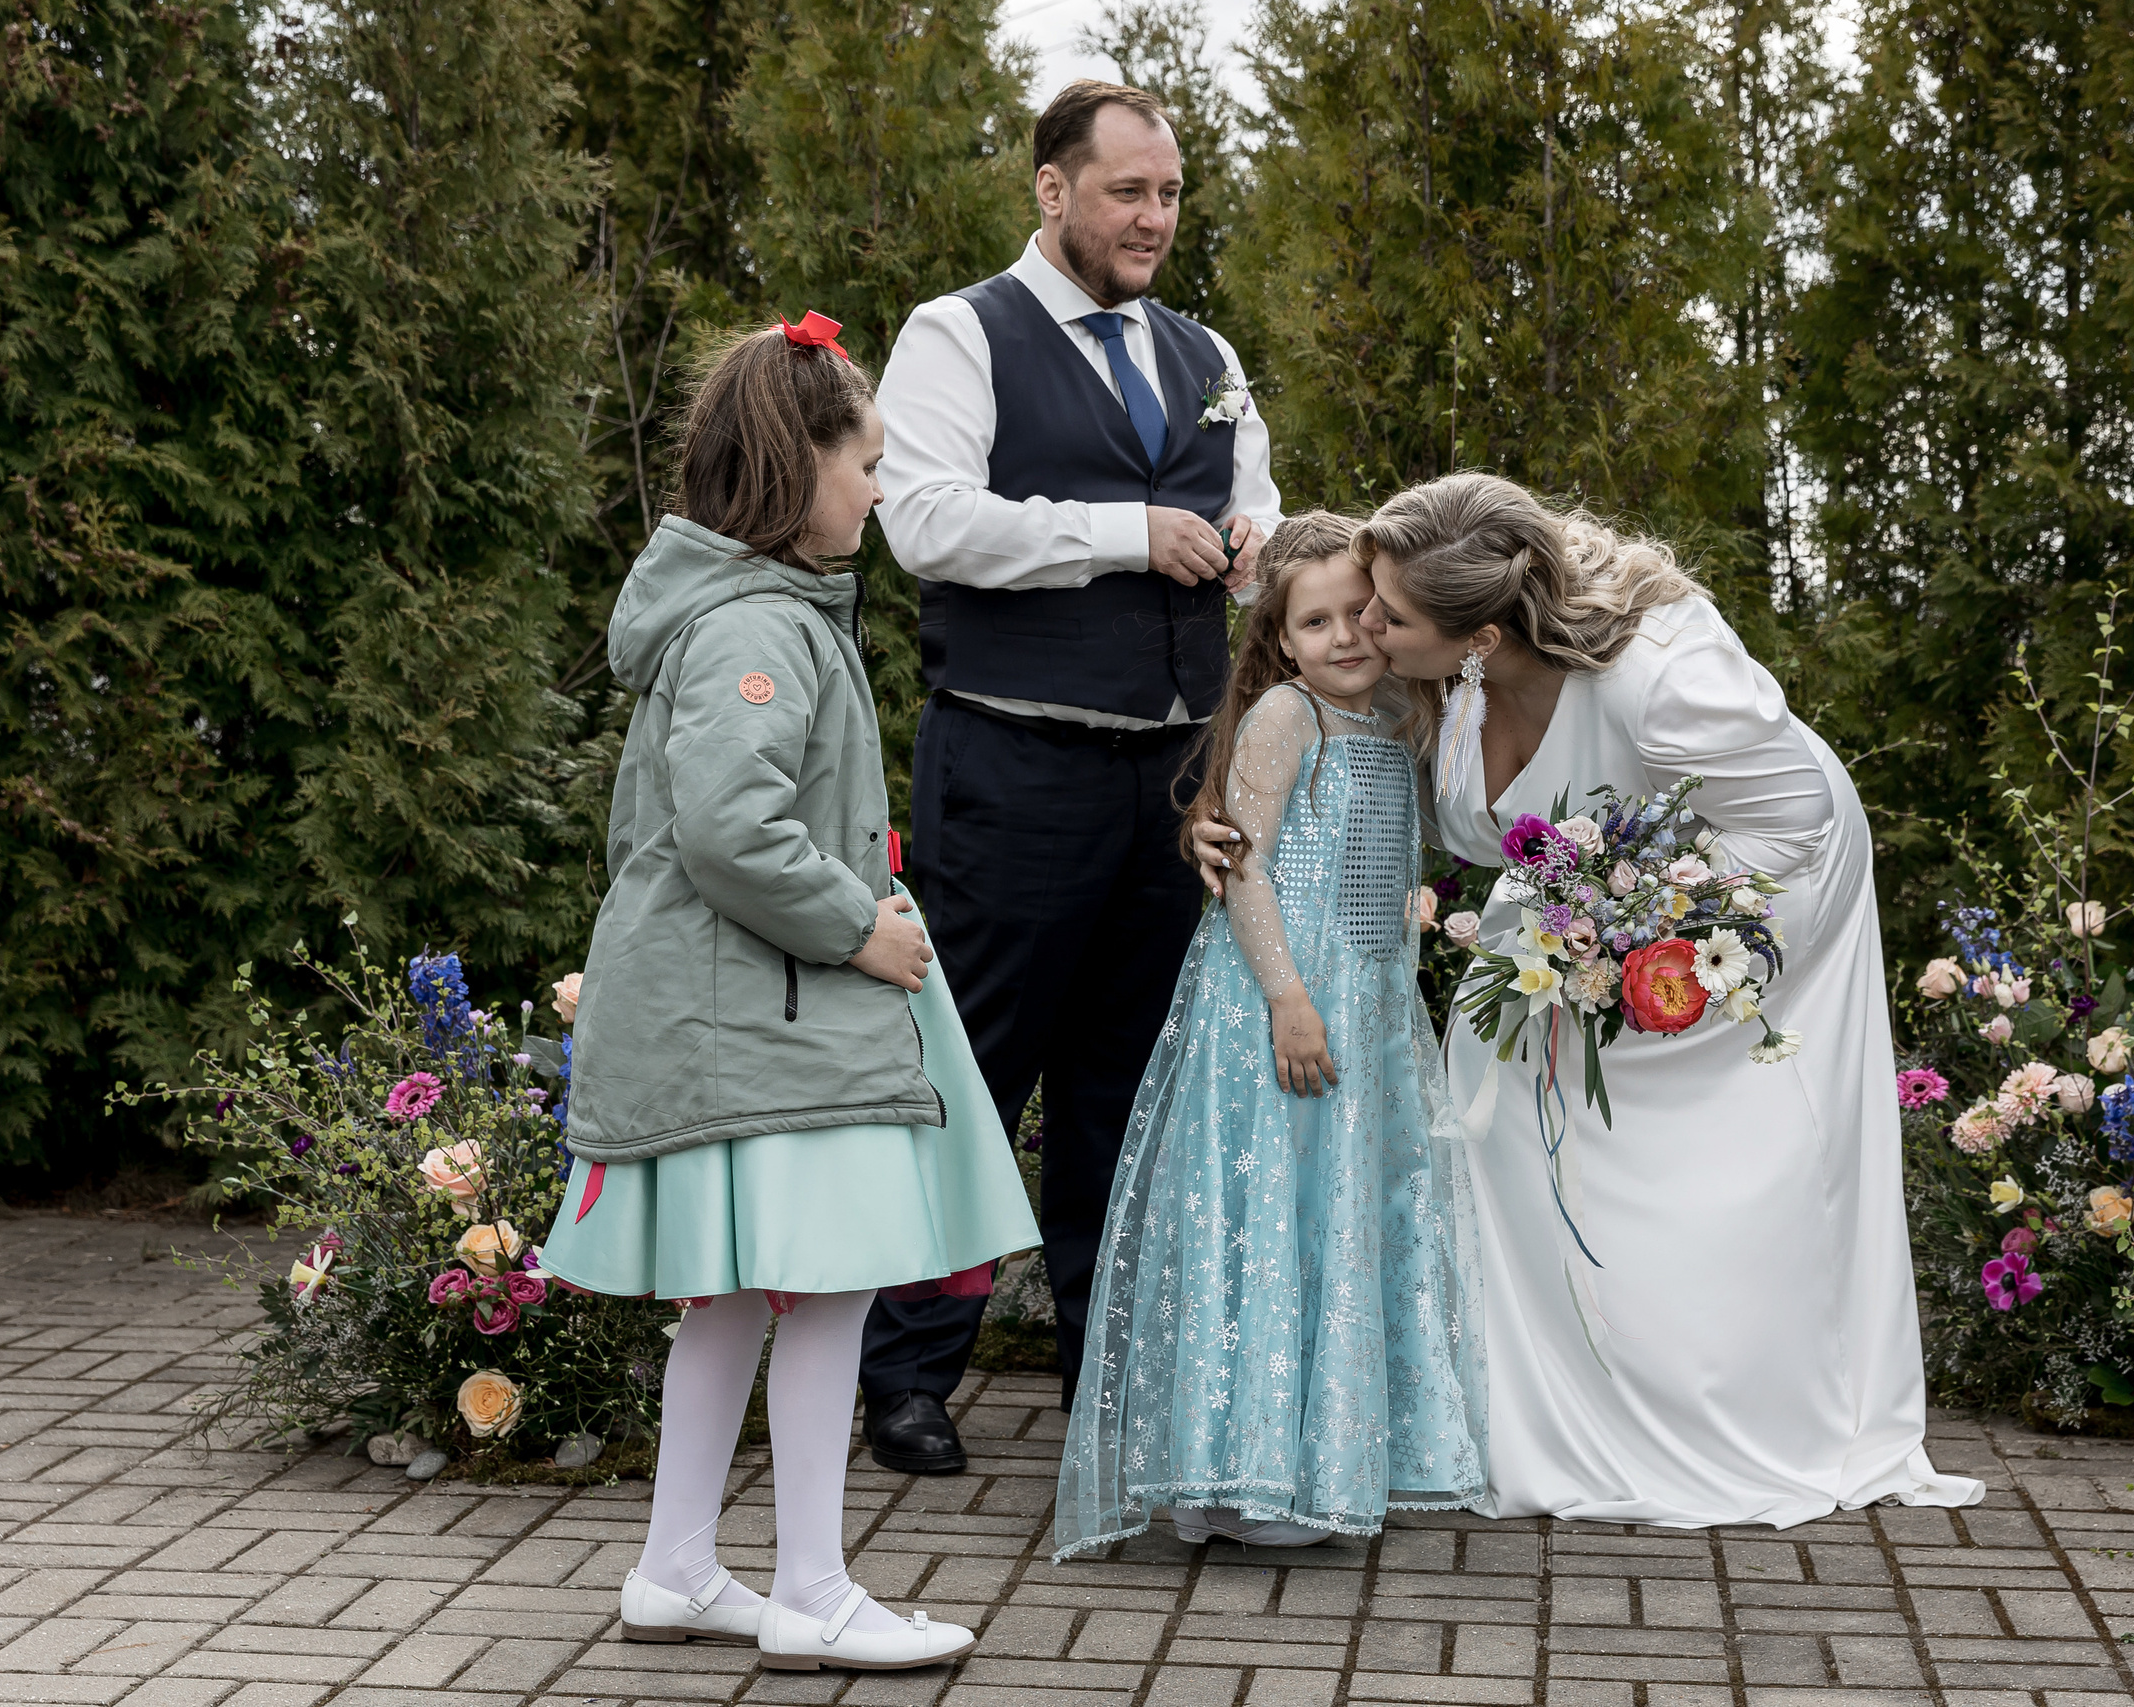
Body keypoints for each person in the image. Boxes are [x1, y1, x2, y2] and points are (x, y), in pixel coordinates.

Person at [1195, 474, 1983, 1527]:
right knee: (1492, 1093)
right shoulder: (1429, 677)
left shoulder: (1661, 678)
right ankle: (1533, 1408)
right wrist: (1221, 828)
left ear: (1475, 635)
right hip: (1583, 900)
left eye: (1387, 611)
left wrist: (1650, 944)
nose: (1367, 624)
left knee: (1705, 1155)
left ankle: (1719, 1393)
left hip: (1761, 894)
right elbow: (1322, 776)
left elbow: (1793, 823)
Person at [543, 315, 1041, 1672]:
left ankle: (678, 1566)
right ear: (795, 465)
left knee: (742, 1298)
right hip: (770, 1014)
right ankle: (813, 1586)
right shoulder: (757, 625)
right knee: (824, 1292)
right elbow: (730, 827)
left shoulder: (748, 612)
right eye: (866, 462)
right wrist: (854, 930)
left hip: (749, 1013)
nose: (881, 491)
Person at [867, 76, 1281, 1468]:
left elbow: (1255, 505)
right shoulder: (956, 333)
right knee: (974, 1067)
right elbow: (921, 519)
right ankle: (908, 1369)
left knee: (1126, 1074)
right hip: (1013, 761)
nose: (1154, 217)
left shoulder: (1204, 349)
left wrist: (1260, 551)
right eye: (1128, 192)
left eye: (1168, 193)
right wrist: (1124, 532)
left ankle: (1106, 1348)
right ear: (1053, 192)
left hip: (1169, 777)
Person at [1051, 514, 1486, 1556]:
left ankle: (1324, 1456)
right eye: (1316, 620)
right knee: (1264, 1214)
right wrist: (1289, 998)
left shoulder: (1398, 713)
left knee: (1341, 1217)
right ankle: (1229, 1470)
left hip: (1370, 1008)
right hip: (1276, 1005)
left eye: (1360, 615)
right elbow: (1244, 865)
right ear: (1281, 640)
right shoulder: (1286, 718)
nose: (1344, 635)